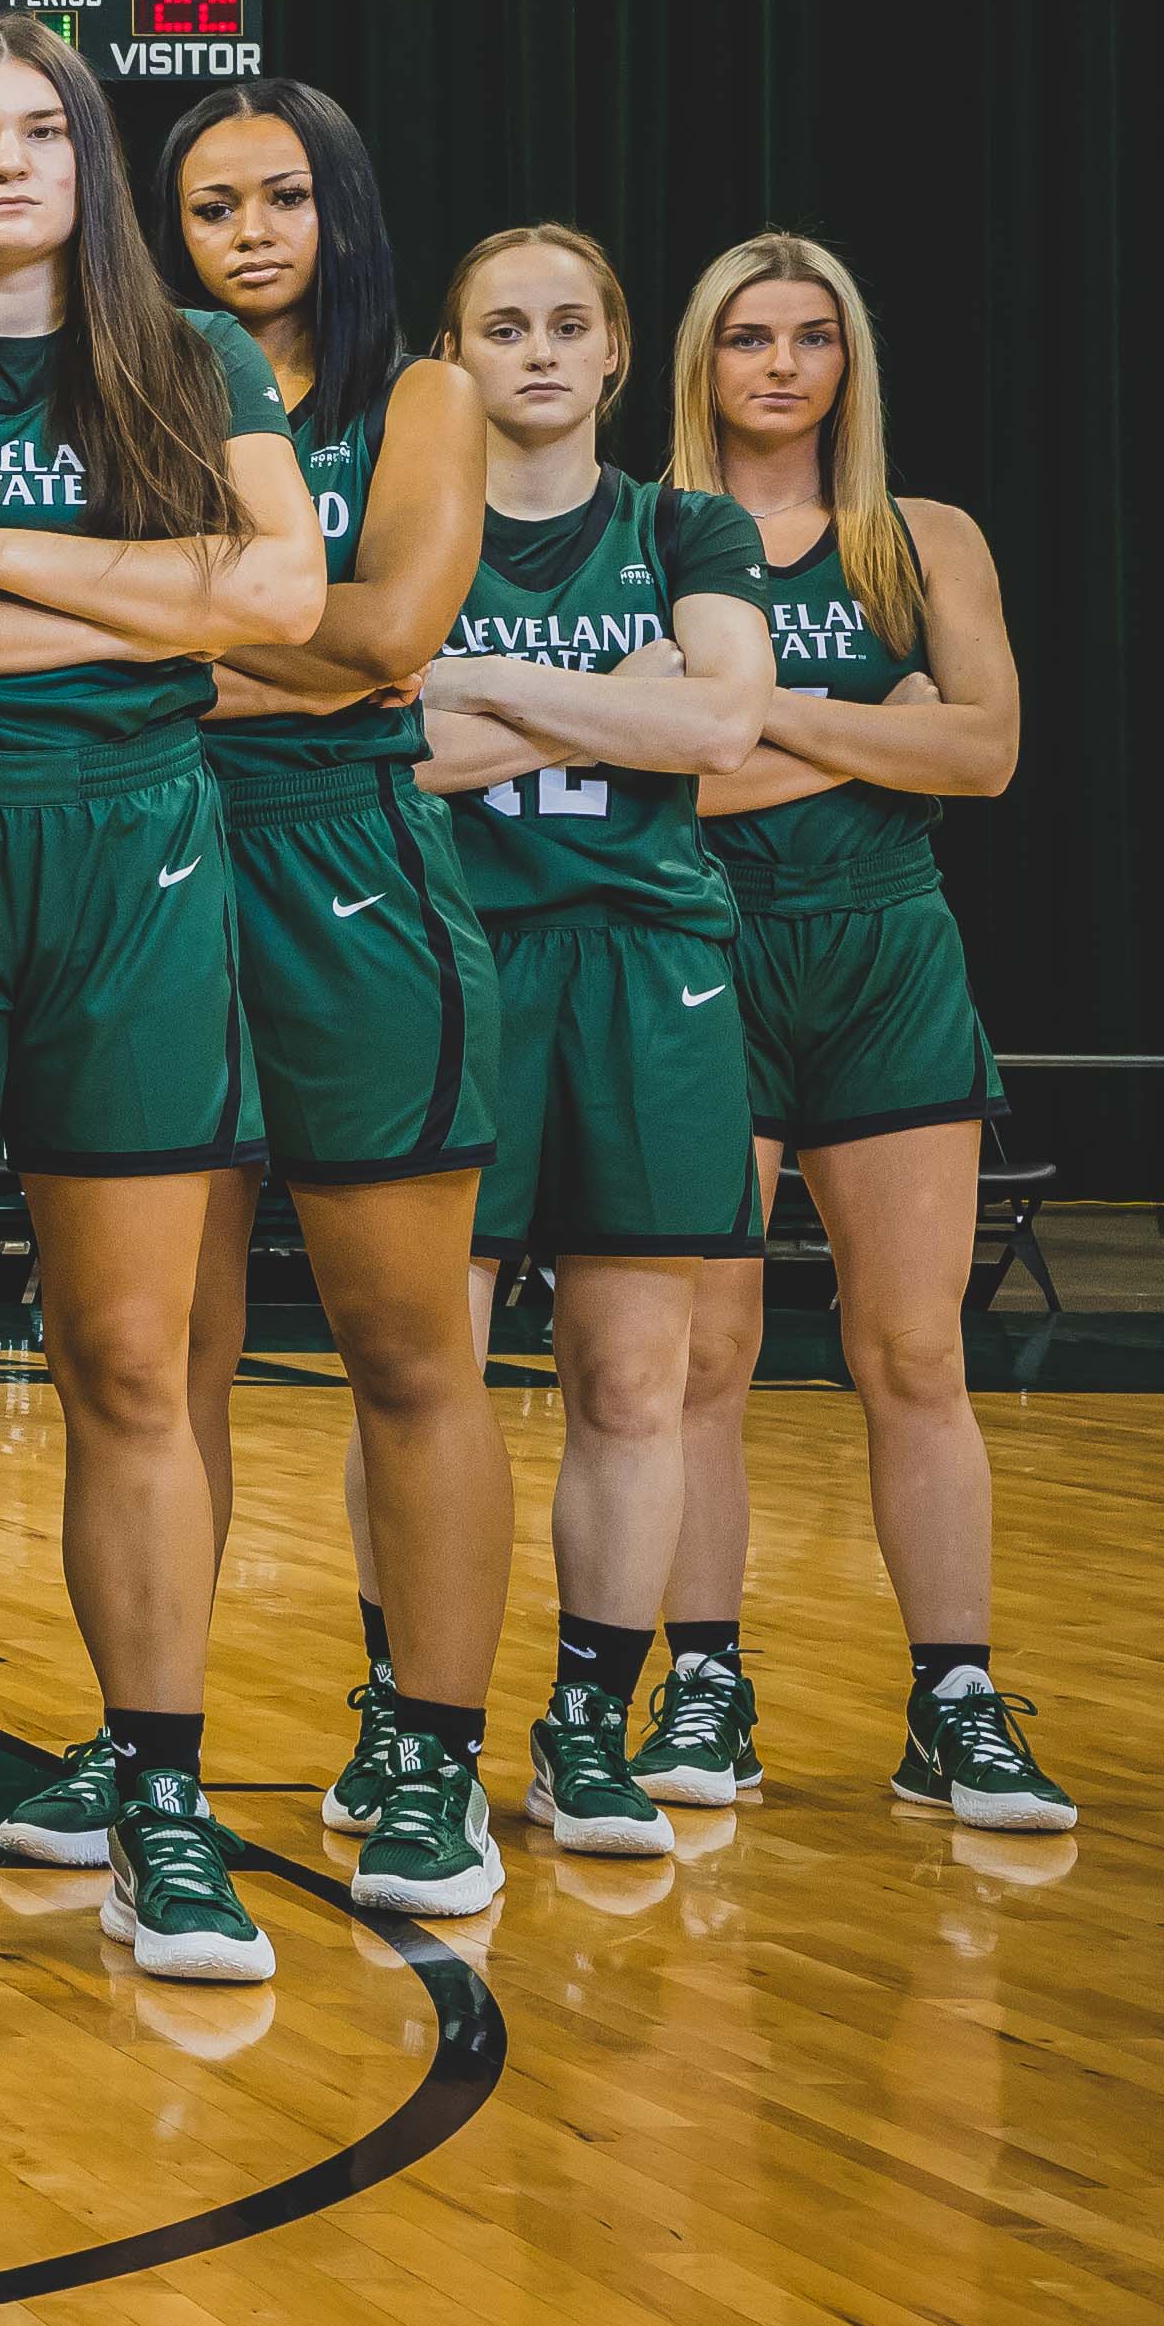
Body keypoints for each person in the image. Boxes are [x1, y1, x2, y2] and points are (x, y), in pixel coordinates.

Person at [0, 18, 322, 1998]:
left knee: (131, 1355)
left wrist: (2, 566)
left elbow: (284, 597)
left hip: (137, 863)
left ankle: (162, 1796)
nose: (8, 158)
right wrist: (149, 590)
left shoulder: (192, 357)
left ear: (88, 159)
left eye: (41, 127)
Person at [658, 232, 1070, 1829]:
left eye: (810, 336)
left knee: (914, 1349)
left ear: (850, 361)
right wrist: (877, 731)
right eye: (748, 335)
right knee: (708, 1355)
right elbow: (675, 778)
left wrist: (774, 723)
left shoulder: (924, 536)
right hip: (707, 952)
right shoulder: (655, 535)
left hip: (890, 958)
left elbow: (991, 754)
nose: (779, 363)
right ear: (702, 358)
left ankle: (953, 1697)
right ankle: (706, 1683)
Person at [160, 77, 516, 1916]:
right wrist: (227, 652)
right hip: (152, 863)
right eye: (212, 206)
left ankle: (436, 1746)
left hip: (353, 874)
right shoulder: (149, 386)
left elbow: (390, 638)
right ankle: (157, 1747)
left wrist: (171, 639)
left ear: (345, 211)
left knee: (406, 1348)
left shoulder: (429, 395)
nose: (248, 234)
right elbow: (307, 640)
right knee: (160, 1360)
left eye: (282, 198)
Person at [411, 223, 776, 1860]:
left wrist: (480, 685)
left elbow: (718, 722)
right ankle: (410, 1730)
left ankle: (586, 1728)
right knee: (431, 1370)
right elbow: (383, 747)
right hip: (455, 960)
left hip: (651, 968)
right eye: (506, 326)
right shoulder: (414, 519)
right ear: (458, 352)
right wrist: (592, 694)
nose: (541, 351)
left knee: (636, 1378)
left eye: (571, 324)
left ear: (620, 353)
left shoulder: (682, 523)